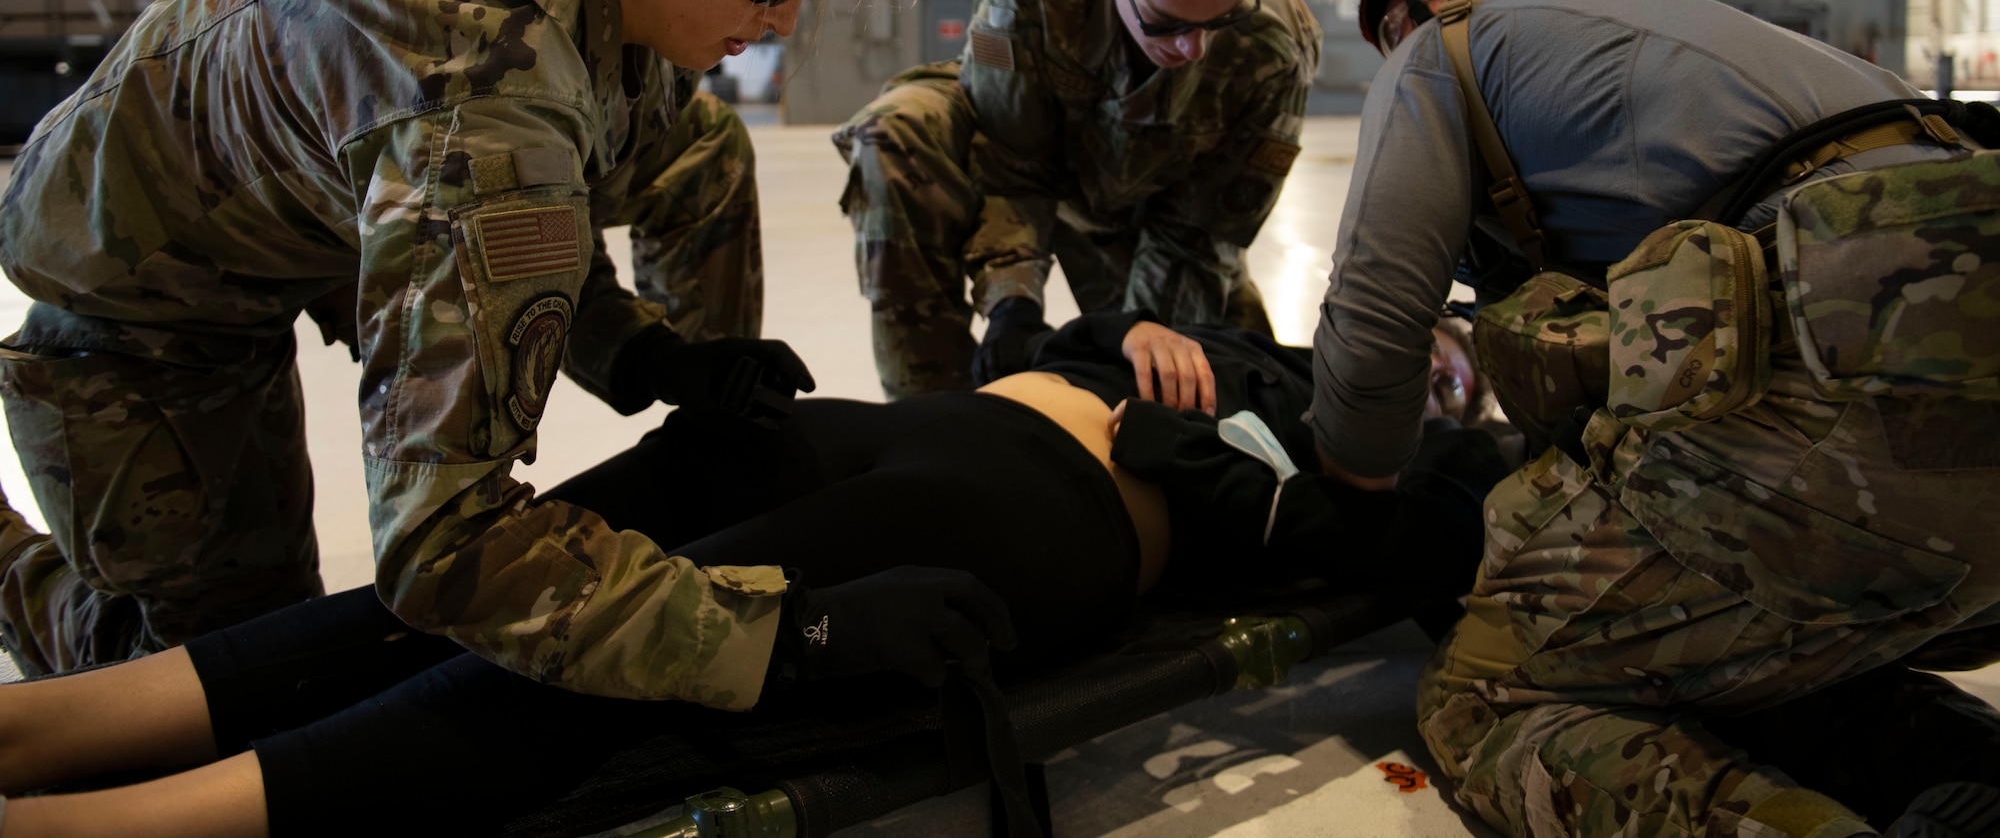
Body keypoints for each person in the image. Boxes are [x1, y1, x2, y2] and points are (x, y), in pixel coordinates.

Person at [0, 0, 976, 708]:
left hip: (312, 201)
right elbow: (444, 547)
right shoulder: (480, 93)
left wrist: (653, 357)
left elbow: (583, 192)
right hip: (141, 279)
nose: (783, 21)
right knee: (218, 685)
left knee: (702, 149)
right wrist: (781, 641)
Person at [0, 313, 1508, 838]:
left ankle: (111, 821)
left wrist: (1252, 485)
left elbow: (1420, 555)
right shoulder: (1257, 343)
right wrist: (1118, 331)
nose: (1431, 364)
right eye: (1425, 333)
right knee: (502, 576)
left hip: (1035, 521)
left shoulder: (1416, 467)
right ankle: (56, 727)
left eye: (1456, 366)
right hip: (904, 430)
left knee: (598, 664)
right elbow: (1036, 331)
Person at [1308, 0, 2000, 837]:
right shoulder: (1713, 41)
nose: (1397, 52)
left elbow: (1374, 321)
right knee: (1753, 640)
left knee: (1491, 689)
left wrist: (1353, 492)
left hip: (1851, 408)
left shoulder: (1444, 45)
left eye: (1390, 30)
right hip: (1956, 469)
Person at [835, 0, 1323, 399]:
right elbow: (1011, 160)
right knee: (897, 130)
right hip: (1037, 151)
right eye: (1168, 22)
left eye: (1222, 18)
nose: (1196, 48)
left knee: (1237, 396)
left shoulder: (1278, 47)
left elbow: (1199, 237)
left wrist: (1136, 341)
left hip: (1157, 206)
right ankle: (932, 415)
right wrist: (1011, 306)